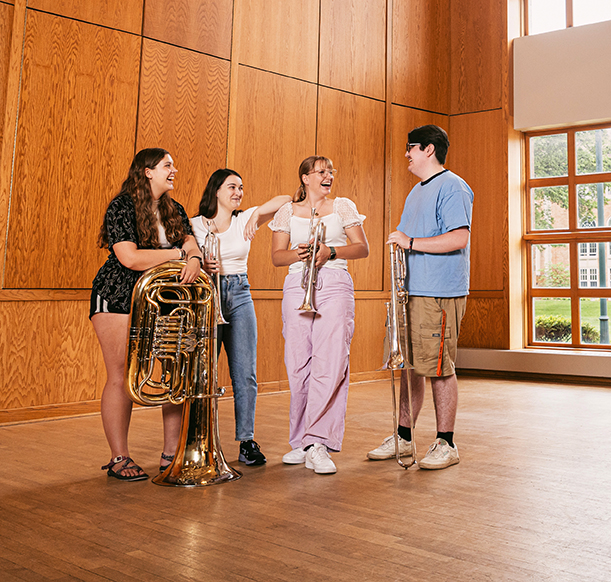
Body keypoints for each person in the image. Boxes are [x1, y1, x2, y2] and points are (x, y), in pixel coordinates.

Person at [91, 147, 203, 481]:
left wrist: (193, 259)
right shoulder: (122, 206)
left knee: (173, 370)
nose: (174, 170)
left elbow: (191, 245)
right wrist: (178, 254)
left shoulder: (174, 208)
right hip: (118, 295)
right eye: (167, 165)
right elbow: (129, 257)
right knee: (120, 373)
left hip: (162, 297)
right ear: (147, 172)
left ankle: (171, 455)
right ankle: (118, 458)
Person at [367, 124, 474, 470]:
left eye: (411, 147)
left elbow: (458, 238)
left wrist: (410, 243)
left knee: (439, 368)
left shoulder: (453, 186)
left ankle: (447, 443)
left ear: (429, 149)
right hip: (410, 292)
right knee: (410, 367)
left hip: (439, 293)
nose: (406, 154)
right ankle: (404, 434)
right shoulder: (416, 192)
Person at [269, 156, 369, 474]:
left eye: (330, 171)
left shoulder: (343, 207)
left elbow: (362, 248)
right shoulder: (287, 211)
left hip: (335, 283)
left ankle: (319, 442)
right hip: (298, 285)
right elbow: (276, 256)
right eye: (321, 171)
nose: (328, 176)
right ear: (305, 178)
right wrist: (297, 253)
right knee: (298, 366)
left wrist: (332, 251)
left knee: (331, 363)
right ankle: (301, 441)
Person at [191, 169, 291, 466]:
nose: (238, 192)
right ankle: (201, 439)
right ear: (216, 191)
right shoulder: (194, 225)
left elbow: (286, 199)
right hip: (206, 295)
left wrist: (256, 214)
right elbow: (183, 254)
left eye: (242, 188)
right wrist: (197, 260)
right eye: (232, 187)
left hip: (239, 292)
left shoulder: (245, 218)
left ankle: (246, 440)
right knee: (203, 373)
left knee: (244, 373)